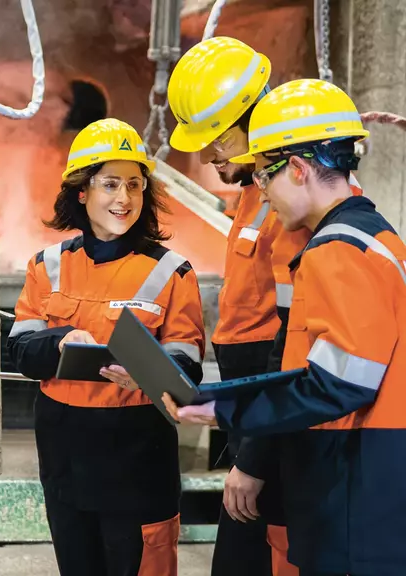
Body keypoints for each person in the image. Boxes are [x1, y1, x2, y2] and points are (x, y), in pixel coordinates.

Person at [163, 78, 406, 576]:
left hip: (357, 483)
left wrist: (220, 405)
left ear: (296, 169)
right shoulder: (369, 237)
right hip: (359, 475)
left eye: (262, 176)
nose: (260, 193)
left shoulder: (340, 251)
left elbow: (338, 385)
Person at [7, 118, 205, 576]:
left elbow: (187, 364)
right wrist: (59, 341)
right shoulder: (48, 265)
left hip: (136, 459)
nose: (125, 199)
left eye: (135, 186)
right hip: (65, 461)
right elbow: (20, 352)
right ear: (82, 191)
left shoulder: (171, 271)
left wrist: (151, 371)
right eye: (111, 184)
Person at [167, 36, 301, 576]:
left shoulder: (290, 204)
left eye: (217, 140)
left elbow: (291, 347)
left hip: (274, 408)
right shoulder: (255, 191)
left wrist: (253, 457)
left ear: (255, 121)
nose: (205, 156)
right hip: (252, 403)